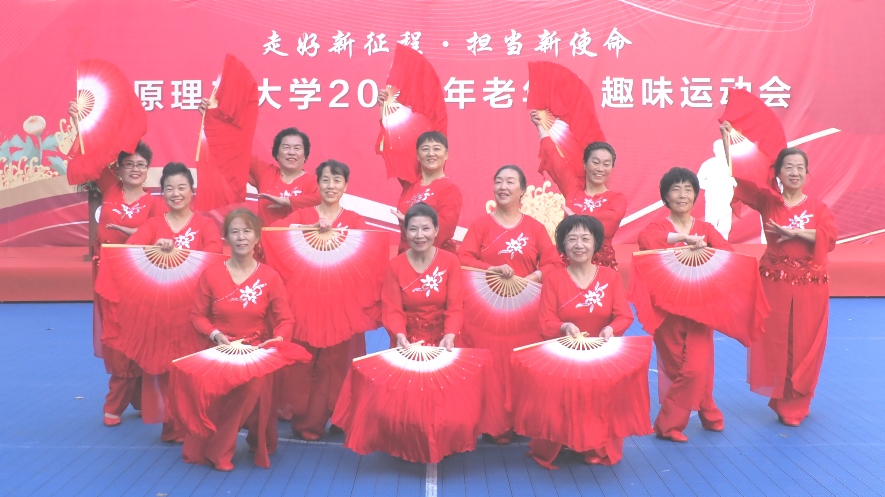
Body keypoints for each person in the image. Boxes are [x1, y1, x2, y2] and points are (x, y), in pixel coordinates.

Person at [270, 160, 380, 441]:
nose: (331, 186)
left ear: (346, 186)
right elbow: (273, 236)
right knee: (304, 363)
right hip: (305, 301)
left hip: (341, 305)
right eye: (325, 180)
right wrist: (304, 230)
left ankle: (336, 416)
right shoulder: (303, 215)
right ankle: (306, 420)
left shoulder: (354, 220)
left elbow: (368, 259)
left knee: (336, 364)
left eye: (337, 181)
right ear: (317, 184)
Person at [730, 146, 837, 426]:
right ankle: (781, 395)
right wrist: (730, 140)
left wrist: (797, 233)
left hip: (810, 284)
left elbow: (830, 238)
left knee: (805, 342)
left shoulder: (818, 208)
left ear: (807, 173)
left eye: (800, 167)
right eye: (788, 167)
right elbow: (741, 178)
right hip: (774, 282)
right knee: (776, 339)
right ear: (777, 172)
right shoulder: (769, 201)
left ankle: (798, 398)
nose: (794, 172)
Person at [184, 209, 296, 471]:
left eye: (247, 231)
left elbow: (286, 319)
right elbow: (197, 316)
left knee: (252, 387)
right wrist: (215, 334)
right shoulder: (211, 274)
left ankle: (220, 450)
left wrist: (278, 338)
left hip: (255, 352)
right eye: (235, 232)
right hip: (219, 350)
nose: (241, 237)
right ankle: (219, 446)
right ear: (227, 237)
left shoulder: (269, 277)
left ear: (257, 237)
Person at [457, 164, 560, 444]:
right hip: (486, 310)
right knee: (491, 367)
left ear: (523, 190)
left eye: (510, 182)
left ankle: (522, 421)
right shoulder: (481, 225)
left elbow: (553, 263)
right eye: (499, 181)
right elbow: (463, 258)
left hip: (524, 311)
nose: (503, 187)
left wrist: (533, 277)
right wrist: (490, 269)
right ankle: (493, 423)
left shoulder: (535, 228)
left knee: (520, 364)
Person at [123, 162, 223, 441]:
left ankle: (196, 420)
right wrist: (152, 248)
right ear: (162, 193)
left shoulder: (205, 224)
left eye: (181, 187)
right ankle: (172, 424)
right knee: (167, 367)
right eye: (169, 188)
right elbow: (130, 250)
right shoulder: (154, 225)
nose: (175, 193)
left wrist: (182, 253)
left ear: (192, 191)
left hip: (195, 310)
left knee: (193, 367)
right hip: (161, 310)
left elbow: (215, 255)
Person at [635, 167, 732, 442]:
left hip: (701, 309)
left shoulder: (706, 230)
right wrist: (682, 239)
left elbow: (728, 254)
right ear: (665, 196)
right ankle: (708, 411)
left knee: (697, 367)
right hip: (668, 310)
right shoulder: (658, 229)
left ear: (696, 195)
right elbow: (645, 242)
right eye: (675, 189)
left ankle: (667, 425)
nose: (682, 195)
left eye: (688, 189)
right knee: (678, 368)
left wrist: (707, 251)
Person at [529, 215, 634, 467]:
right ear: (563, 245)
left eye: (585, 239)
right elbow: (545, 323)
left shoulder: (609, 277)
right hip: (564, 352)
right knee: (562, 400)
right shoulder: (553, 279)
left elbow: (624, 316)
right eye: (572, 239)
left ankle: (595, 445)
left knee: (599, 400)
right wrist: (563, 326)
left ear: (596, 243)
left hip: (600, 352)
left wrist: (610, 329)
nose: (579, 245)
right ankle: (564, 439)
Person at [89, 136, 163, 428]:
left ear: (148, 169)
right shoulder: (110, 187)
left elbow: (160, 238)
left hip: (139, 277)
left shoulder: (154, 203)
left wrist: (136, 233)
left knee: (140, 334)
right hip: (108, 276)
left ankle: (139, 396)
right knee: (117, 335)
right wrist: (81, 122)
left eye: (141, 165)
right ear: (118, 169)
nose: (135, 169)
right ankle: (117, 401)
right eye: (128, 164)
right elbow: (91, 154)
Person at [199, 99, 321, 226]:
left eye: (297, 148)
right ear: (277, 153)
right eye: (286, 147)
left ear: (305, 155)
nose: (291, 152)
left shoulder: (313, 181)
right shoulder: (265, 172)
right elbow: (235, 151)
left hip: (300, 238)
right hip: (266, 238)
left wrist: (288, 202)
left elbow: (323, 199)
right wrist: (213, 122)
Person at [530, 111, 627, 268]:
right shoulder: (573, 189)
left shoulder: (616, 198)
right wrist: (541, 128)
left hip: (601, 267)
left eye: (606, 164)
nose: (600, 168)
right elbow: (554, 159)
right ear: (585, 165)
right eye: (595, 162)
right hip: (569, 266)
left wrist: (576, 218)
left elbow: (609, 223)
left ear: (611, 168)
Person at [383, 203, 463, 350]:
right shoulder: (395, 266)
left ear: (436, 230)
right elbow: (392, 310)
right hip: (407, 345)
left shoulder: (450, 261)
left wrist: (450, 334)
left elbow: (455, 307)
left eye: (426, 229)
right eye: (413, 229)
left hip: (444, 343)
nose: (419, 235)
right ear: (405, 231)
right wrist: (399, 335)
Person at [697, 139, 737, 239]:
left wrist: (730, 180)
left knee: (726, 220)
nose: (720, 151)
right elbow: (699, 181)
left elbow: (737, 182)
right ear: (714, 150)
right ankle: (709, 240)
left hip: (727, 196)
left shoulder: (732, 164)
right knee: (711, 219)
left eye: (723, 148)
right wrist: (711, 186)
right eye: (718, 148)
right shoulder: (708, 164)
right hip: (712, 196)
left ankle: (724, 241)